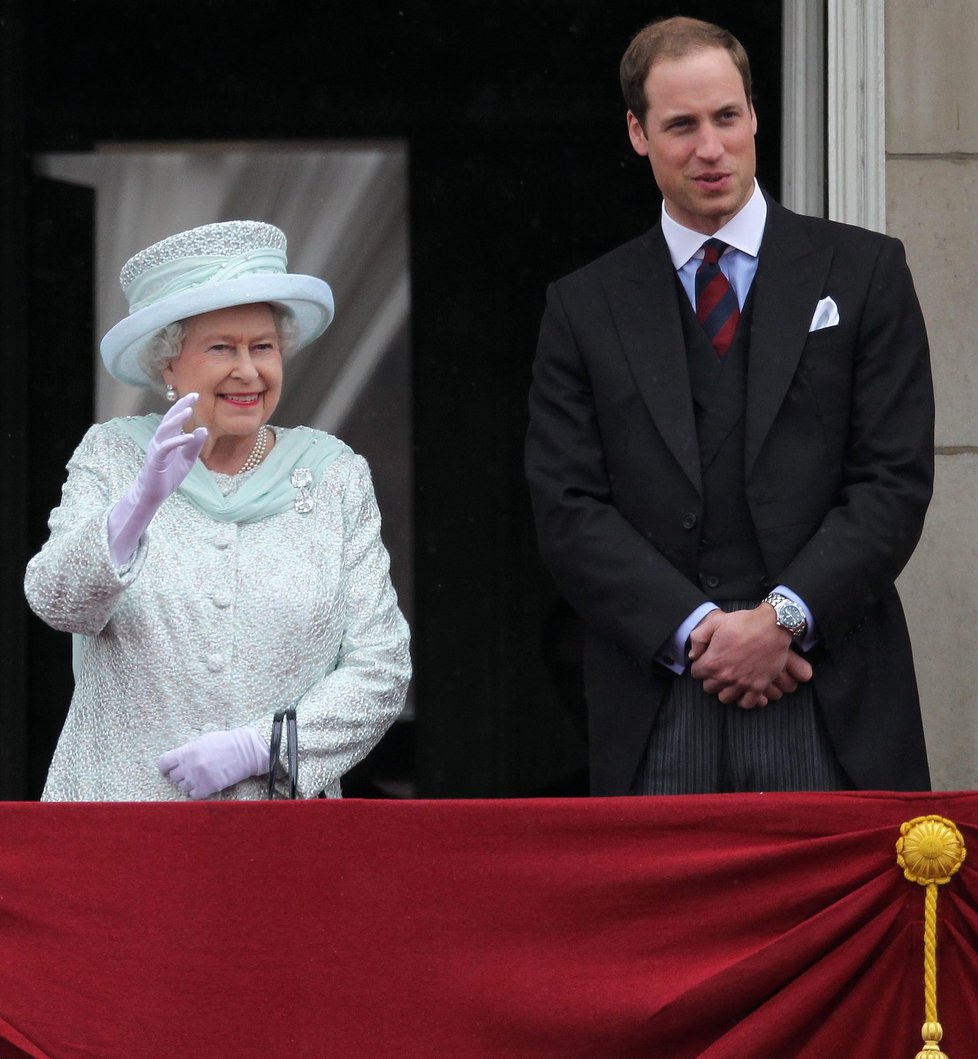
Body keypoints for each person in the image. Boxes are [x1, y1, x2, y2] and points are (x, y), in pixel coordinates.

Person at [524, 17, 934, 796]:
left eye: (726, 117)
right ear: (639, 133)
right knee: (664, 922)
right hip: (662, 691)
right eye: (681, 125)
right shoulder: (583, 306)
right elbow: (569, 506)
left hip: (829, 683)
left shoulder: (866, 271)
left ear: (753, 115)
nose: (710, 148)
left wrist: (781, 619)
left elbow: (894, 479)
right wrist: (700, 633)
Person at [25, 220, 411, 800]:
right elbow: (57, 602)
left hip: (276, 834)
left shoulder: (334, 475)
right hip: (119, 823)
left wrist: (267, 748)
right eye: (221, 348)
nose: (248, 371)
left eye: (263, 347)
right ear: (167, 363)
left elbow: (381, 667)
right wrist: (138, 504)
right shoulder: (113, 454)